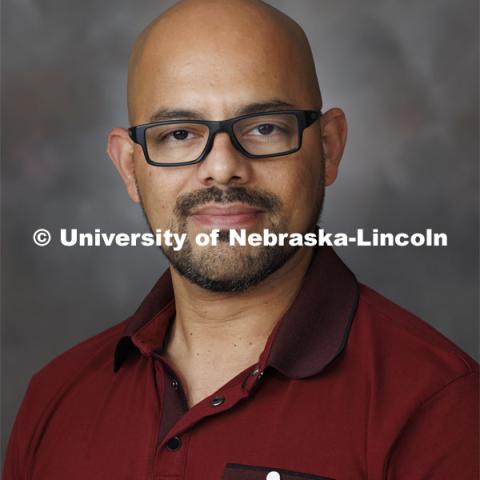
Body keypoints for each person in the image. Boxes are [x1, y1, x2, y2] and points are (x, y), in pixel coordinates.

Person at [4, 0, 478, 479]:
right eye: (180, 134)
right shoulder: (56, 398)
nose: (222, 167)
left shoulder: (439, 406)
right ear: (130, 168)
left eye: (265, 127)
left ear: (328, 148)